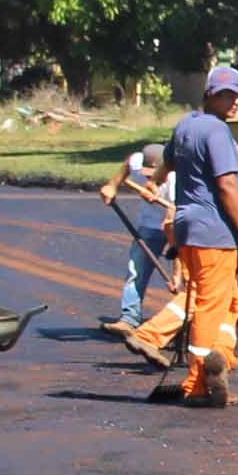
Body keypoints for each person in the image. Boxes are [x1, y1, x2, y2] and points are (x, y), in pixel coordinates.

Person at [152, 65, 238, 408]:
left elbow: (167, 163)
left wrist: (154, 182)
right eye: (226, 95)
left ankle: (221, 360)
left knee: (224, 301)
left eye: (237, 95)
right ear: (210, 94)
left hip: (187, 226)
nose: (233, 102)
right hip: (213, 232)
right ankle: (198, 384)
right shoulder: (217, 132)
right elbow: (228, 184)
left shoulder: (187, 125)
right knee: (209, 305)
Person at [98, 140, 173, 334]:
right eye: (146, 175)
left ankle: (184, 322)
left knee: (187, 278)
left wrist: (177, 274)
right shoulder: (137, 161)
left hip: (178, 225)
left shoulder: (177, 179)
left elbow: (176, 216)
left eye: (155, 176)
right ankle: (129, 319)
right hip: (149, 225)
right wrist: (112, 185)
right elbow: (127, 164)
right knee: (136, 269)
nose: (149, 180)